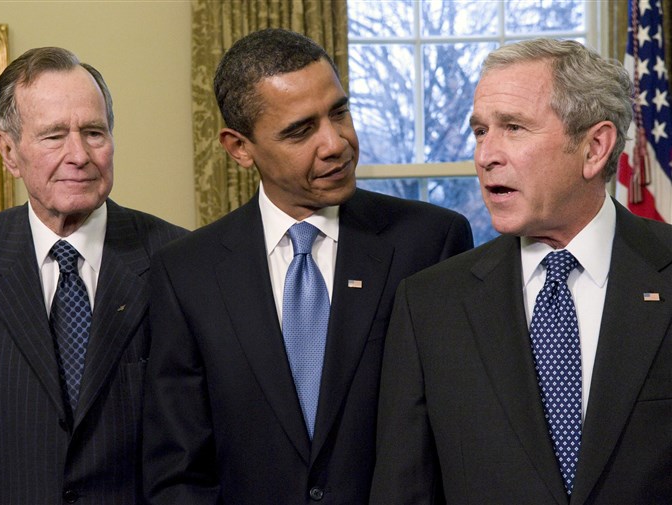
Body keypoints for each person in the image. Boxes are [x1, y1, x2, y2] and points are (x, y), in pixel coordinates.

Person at [142, 28, 473, 505]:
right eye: (300, 130)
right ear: (239, 147)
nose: (335, 143)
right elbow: (177, 468)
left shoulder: (431, 243)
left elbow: (459, 439)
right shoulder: (186, 272)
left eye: (339, 113)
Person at [370, 38, 672, 505]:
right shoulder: (429, 305)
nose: (485, 154)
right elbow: (404, 489)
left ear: (594, 148)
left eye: (513, 127)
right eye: (479, 131)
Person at [0, 47, 187, 504]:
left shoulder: (178, 259)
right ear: (9, 151)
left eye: (94, 132)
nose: (78, 154)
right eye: (54, 136)